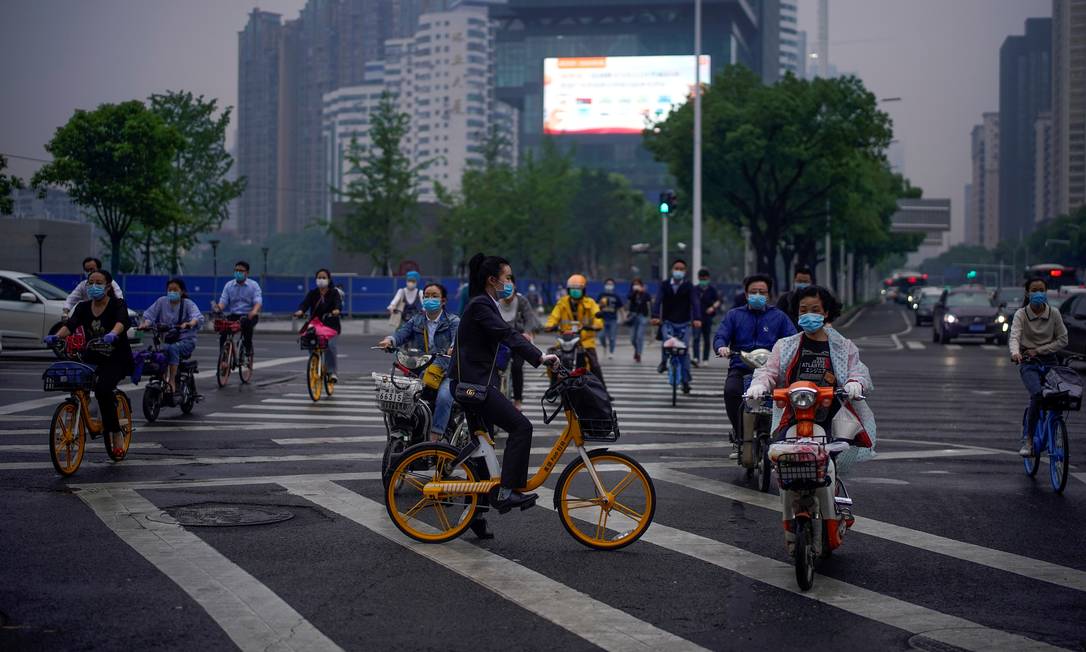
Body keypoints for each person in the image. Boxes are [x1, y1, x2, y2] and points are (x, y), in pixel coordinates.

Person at [747, 285, 876, 551]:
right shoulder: (785, 345)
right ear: (796, 314)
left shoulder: (843, 346)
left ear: (826, 312)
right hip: (792, 417)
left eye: (815, 310)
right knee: (782, 464)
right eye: (803, 310)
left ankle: (837, 505)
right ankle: (789, 523)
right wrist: (759, 385)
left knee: (828, 467)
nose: (809, 315)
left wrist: (855, 383)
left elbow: (859, 371)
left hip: (831, 418)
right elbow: (768, 372)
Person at [453, 253, 557, 513]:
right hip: (475, 386)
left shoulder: (484, 304)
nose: (510, 282)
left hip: (473, 383)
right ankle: (508, 491)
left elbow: (501, 339)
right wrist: (540, 356)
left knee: (482, 448)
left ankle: (476, 515)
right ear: (492, 280)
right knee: (521, 427)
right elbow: (507, 334)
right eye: (507, 277)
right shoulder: (481, 305)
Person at [45, 270, 133, 457]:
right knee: (76, 381)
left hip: (116, 357)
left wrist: (113, 334)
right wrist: (56, 336)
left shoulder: (118, 304)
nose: (94, 286)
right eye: (90, 282)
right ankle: (79, 412)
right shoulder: (83, 307)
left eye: (98, 282)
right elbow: (71, 324)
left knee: (102, 390)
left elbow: (122, 321)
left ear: (108, 286)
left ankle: (116, 432)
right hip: (92, 354)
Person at [714, 274, 796, 452]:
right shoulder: (734, 315)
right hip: (741, 367)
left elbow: (793, 339)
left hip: (771, 371)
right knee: (731, 391)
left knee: (783, 397)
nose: (757, 295)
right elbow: (721, 335)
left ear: (768, 295)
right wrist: (721, 347)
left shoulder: (779, 317)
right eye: (753, 292)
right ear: (745, 294)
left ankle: (776, 432)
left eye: (762, 292)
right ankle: (740, 433)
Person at [380, 283, 460, 440]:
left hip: (446, 372)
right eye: (427, 296)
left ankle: (434, 436)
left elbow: (457, 339)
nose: (430, 299)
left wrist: (453, 348)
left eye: (434, 296)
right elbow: (401, 334)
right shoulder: (416, 320)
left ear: (443, 301)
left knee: (444, 397)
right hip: (421, 369)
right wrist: (390, 341)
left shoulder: (453, 321)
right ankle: (404, 430)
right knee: (401, 393)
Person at [1009, 276, 1069, 456]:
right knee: (1037, 395)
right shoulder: (1021, 314)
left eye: (1041, 290)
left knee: (1061, 397)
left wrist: (1040, 350)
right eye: (1034, 290)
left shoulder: (1054, 313)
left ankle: (1055, 430)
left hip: (1050, 361)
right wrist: (1015, 353)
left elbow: (1063, 340)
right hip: (1028, 362)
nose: (1038, 294)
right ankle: (1028, 440)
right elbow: (1014, 337)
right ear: (1027, 293)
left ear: (1046, 292)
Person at [139, 278, 204, 394]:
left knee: (172, 348)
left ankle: (172, 381)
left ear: (182, 291)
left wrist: (190, 324)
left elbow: (197, 317)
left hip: (186, 341)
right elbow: (149, 316)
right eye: (170, 290)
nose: (172, 292)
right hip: (167, 340)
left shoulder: (188, 304)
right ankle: (163, 379)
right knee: (159, 353)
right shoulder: (161, 302)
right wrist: (145, 324)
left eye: (175, 290)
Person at [545, 274, 607, 388]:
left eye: (578, 289)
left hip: (585, 341)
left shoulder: (591, 303)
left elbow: (597, 318)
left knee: (594, 363)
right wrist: (550, 325)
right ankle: (553, 386)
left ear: (583, 290)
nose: (575, 291)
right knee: (552, 359)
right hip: (565, 340)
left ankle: (603, 390)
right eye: (573, 289)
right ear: (568, 290)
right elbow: (553, 317)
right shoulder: (562, 303)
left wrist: (595, 325)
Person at [652, 259, 701, 394]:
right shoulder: (665, 285)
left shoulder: (689, 286)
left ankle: (685, 382)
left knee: (684, 352)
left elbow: (695, 302)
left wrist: (696, 318)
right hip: (668, 321)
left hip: (685, 323)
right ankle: (663, 362)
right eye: (676, 268)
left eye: (681, 269)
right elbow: (658, 300)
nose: (678, 271)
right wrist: (655, 315)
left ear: (685, 272)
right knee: (665, 343)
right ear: (672, 270)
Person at [497, 275, 542, 409]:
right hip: (500, 341)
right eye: (503, 284)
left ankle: (517, 400)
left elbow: (529, 319)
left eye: (509, 284)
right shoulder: (495, 301)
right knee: (496, 368)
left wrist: (527, 333)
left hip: (518, 340)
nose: (506, 287)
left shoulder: (522, 301)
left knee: (517, 368)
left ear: (514, 286)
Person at [294, 268, 343, 384]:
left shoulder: (334, 292)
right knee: (308, 341)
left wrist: (336, 310)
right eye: (319, 277)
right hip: (315, 323)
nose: (321, 280)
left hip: (331, 324)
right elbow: (305, 304)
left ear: (329, 279)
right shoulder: (313, 293)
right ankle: (314, 361)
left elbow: (338, 303)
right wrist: (300, 311)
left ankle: (331, 372)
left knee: (330, 346)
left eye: (324, 277)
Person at [214, 260, 262, 360]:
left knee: (247, 327)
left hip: (249, 315)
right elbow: (223, 301)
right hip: (234, 315)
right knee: (223, 332)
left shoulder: (253, 285)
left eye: (241, 270)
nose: (238, 273)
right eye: (236, 270)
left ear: (247, 273)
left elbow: (258, 300)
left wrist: (254, 311)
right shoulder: (229, 285)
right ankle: (223, 359)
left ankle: (247, 348)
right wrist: (217, 308)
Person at [692, 269, 721, 367]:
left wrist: (712, 307)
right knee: (696, 338)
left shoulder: (712, 289)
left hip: (707, 317)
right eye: (701, 278)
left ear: (708, 278)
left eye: (705, 278)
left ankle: (705, 359)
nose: (703, 280)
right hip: (696, 318)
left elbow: (718, 301)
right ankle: (696, 358)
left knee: (706, 339)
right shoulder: (695, 289)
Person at [596, 278, 623, 360]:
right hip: (602, 319)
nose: (609, 285)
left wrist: (623, 318)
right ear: (605, 285)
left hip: (613, 320)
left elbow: (621, 308)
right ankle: (604, 346)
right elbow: (596, 307)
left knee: (612, 337)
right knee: (601, 336)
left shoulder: (616, 296)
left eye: (611, 284)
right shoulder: (601, 295)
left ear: (613, 286)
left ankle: (611, 352)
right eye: (608, 284)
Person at [626, 278, 652, 363]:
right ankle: (637, 350)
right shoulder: (631, 293)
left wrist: (642, 292)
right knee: (632, 339)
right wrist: (635, 292)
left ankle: (639, 354)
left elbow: (649, 299)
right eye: (634, 284)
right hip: (633, 316)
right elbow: (630, 297)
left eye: (638, 284)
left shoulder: (645, 294)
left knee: (640, 337)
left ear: (641, 285)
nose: (636, 286)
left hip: (642, 316)